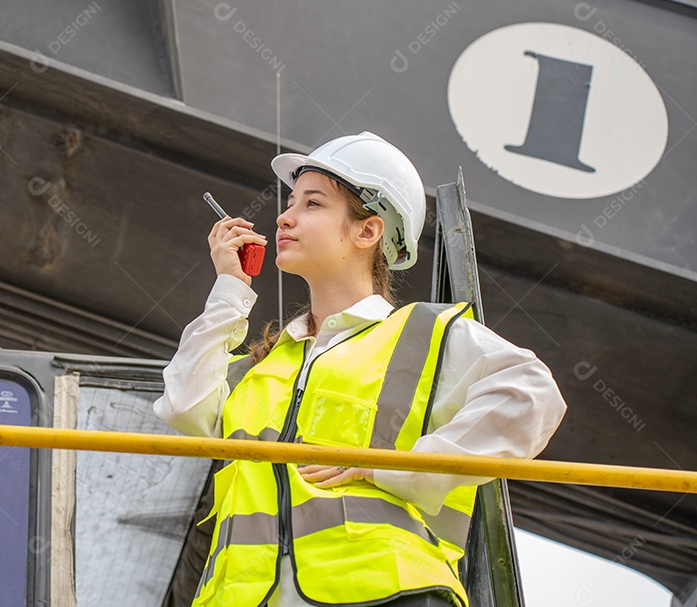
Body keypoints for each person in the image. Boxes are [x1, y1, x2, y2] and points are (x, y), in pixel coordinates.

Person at [153, 132, 567, 607]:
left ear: (367, 231)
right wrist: (230, 286)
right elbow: (184, 411)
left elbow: (533, 394)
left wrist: (394, 468)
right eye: (290, 202)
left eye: (312, 204)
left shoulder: (421, 334)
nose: (285, 216)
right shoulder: (261, 366)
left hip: (387, 594)